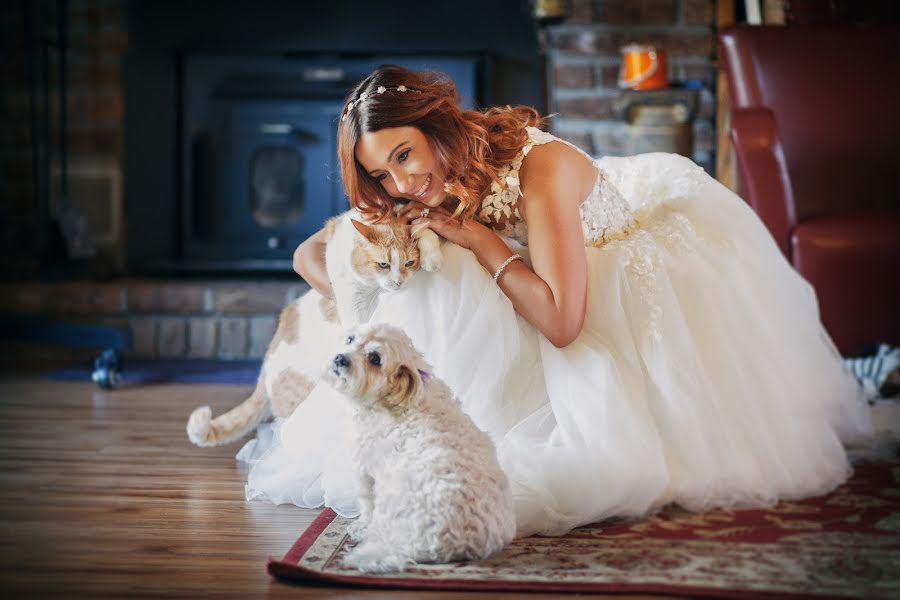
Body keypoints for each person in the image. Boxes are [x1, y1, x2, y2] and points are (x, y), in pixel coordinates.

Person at [243, 65, 873, 537]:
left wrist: (481, 240)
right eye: (380, 173)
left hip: (601, 281)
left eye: (404, 155)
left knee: (470, 271)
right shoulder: (415, 185)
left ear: (436, 126)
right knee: (427, 275)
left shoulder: (537, 172)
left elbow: (564, 323)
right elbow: (307, 255)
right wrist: (365, 298)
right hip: (532, 275)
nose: (401, 183)